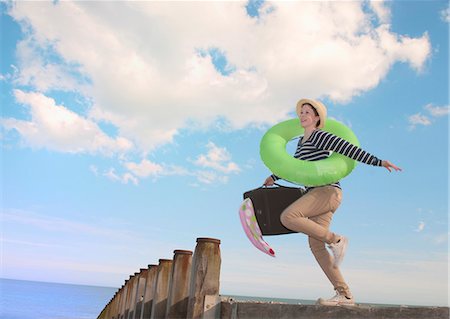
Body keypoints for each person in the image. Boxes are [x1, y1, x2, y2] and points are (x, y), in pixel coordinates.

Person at [263, 98, 401, 306]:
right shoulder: (300, 142)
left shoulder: (321, 136)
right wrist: (274, 177)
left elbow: (350, 150)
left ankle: (336, 240)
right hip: (316, 196)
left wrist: (379, 162)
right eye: (301, 112)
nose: (302, 115)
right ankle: (345, 295)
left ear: (317, 117)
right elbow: (295, 166)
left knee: (289, 217)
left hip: (327, 192)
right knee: (315, 245)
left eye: (307, 112)